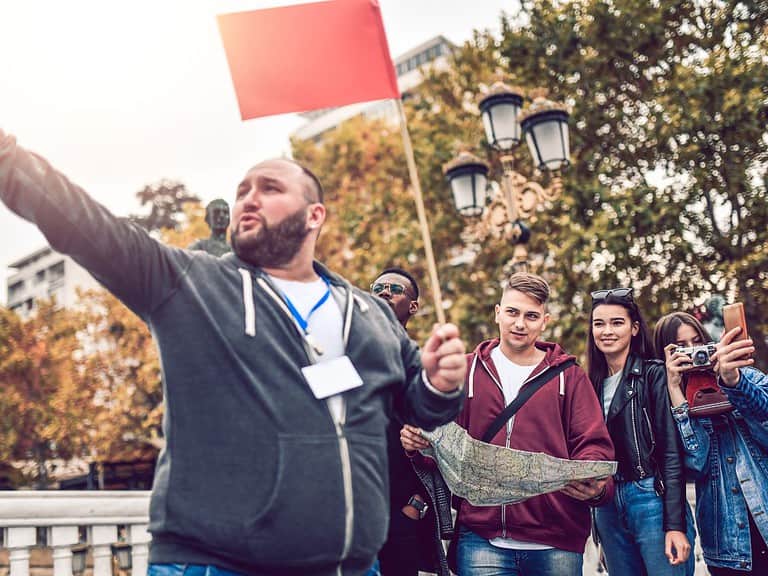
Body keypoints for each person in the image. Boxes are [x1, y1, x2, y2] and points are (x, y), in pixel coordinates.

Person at [0, 129, 467, 576]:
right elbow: (90, 229)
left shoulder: (369, 314)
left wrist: (439, 383)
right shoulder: (190, 284)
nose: (248, 197)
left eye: (269, 187)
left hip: (352, 567)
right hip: (213, 565)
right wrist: (10, 162)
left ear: (314, 215)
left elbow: (417, 408)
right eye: (243, 189)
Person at [402, 272, 615, 576]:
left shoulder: (570, 376)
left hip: (556, 541)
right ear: (498, 312)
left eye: (531, 316)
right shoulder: (466, 371)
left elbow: (593, 444)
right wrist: (416, 443)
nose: (519, 323)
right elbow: (439, 444)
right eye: (512, 312)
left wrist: (595, 485)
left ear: (545, 321)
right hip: (481, 540)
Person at [587, 288, 694, 575]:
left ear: (634, 328)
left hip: (651, 498)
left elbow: (671, 452)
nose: (607, 331)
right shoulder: (588, 384)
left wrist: (675, 526)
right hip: (607, 503)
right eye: (599, 324)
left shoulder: (654, 374)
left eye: (617, 322)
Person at [655, 311, 768, 574]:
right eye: (681, 348)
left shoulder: (746, 376)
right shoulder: (667, 402)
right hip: (728, 545)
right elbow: (697, 465)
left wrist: (734, 382)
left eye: (698, 343)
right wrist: (675, 392)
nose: (694, 353)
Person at [370, 267, 446, 576]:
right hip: (355, 508)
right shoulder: (350, 355)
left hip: (403, 511)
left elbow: (443, 442)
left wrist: (416, 504)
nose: (384, 292)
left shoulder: (425, 366)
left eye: (393, 288)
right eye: (377, 288)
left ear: (413, 306)